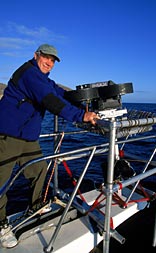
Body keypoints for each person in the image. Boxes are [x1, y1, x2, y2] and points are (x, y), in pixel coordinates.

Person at [0, 44, 99, 248]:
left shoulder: (43, 79)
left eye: (53, 61)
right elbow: (51, 101)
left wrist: (87, 106)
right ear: (36, 56)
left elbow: (60, 94)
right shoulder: (29, 74)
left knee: (39, 170)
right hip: (7, 135)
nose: (50, 63)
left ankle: (36, 207)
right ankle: (1, 225)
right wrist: (81, 116)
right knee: (1, 183)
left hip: (27, 136)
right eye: (46, 58)